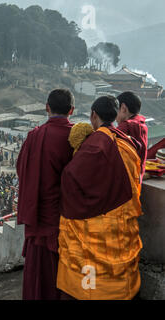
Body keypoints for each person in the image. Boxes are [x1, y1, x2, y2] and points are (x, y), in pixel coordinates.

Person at [57, 96, 143, 300]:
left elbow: (71, 177)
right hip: (120, 219)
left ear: (93, 115)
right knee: (118, 261)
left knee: (89, 263)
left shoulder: (95, 144)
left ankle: (90, 291)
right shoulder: (126, 142)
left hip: (96, 220)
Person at [16, 89, 75, 300]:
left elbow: (21, 168)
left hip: (39, 215)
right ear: (72, 110)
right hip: (65, 218)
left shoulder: (35, 136)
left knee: (37, 275)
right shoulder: (76, 137)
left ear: (46, 107)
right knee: (63, 275)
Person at [116, 91, 148, 178]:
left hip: (127, 178)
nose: (115, 117)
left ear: (123, 108)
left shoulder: (126, 126)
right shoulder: (141, 124)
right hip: (138, 176)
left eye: (116, 111)